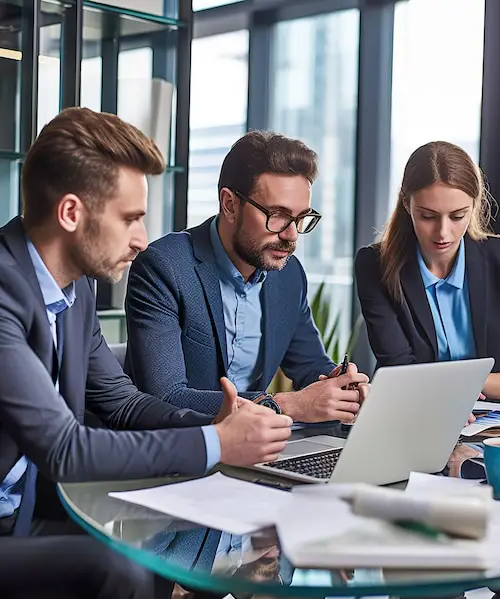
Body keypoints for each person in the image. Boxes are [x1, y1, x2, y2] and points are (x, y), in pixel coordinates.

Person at [0, 107, 292, 599]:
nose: (142, 239)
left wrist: (222, 425)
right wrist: (218, 444)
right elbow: (64, 448)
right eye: (130, 218)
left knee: (156, 538)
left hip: (31, 514)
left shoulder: (76, 286)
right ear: (72, 212)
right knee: (117, 569)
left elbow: (122, 402)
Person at [355, 140, 500, 599]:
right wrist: (458, 391)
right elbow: (400, 369)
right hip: (422, 448)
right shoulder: (376, 265)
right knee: (435, 597)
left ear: (473, 207)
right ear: (406, 204)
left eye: (457, 215)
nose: (442, 231)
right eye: (427, 215)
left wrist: (465, 388)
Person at [125, 130, 368, 424]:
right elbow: (166, 397)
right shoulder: (164, 267)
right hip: (179, 452)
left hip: (258, 449)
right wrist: (281, 405)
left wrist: (340, 385)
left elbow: (310, 365)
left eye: (301, 218)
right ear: (229, 204)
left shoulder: (288, 274)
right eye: (277, 215)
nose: (291, 236)